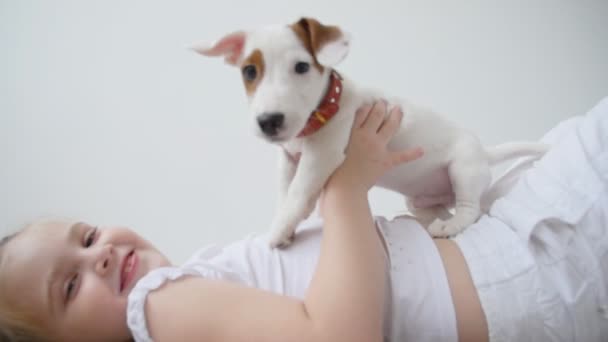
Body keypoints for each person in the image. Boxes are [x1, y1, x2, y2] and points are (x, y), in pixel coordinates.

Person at [1, 98, 607, 342]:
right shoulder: (158, 307)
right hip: (517, 264)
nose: (98, 254)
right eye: (71, 284)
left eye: (84, 237)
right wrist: (344, 190)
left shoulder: (196, 296)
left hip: (501, 255)